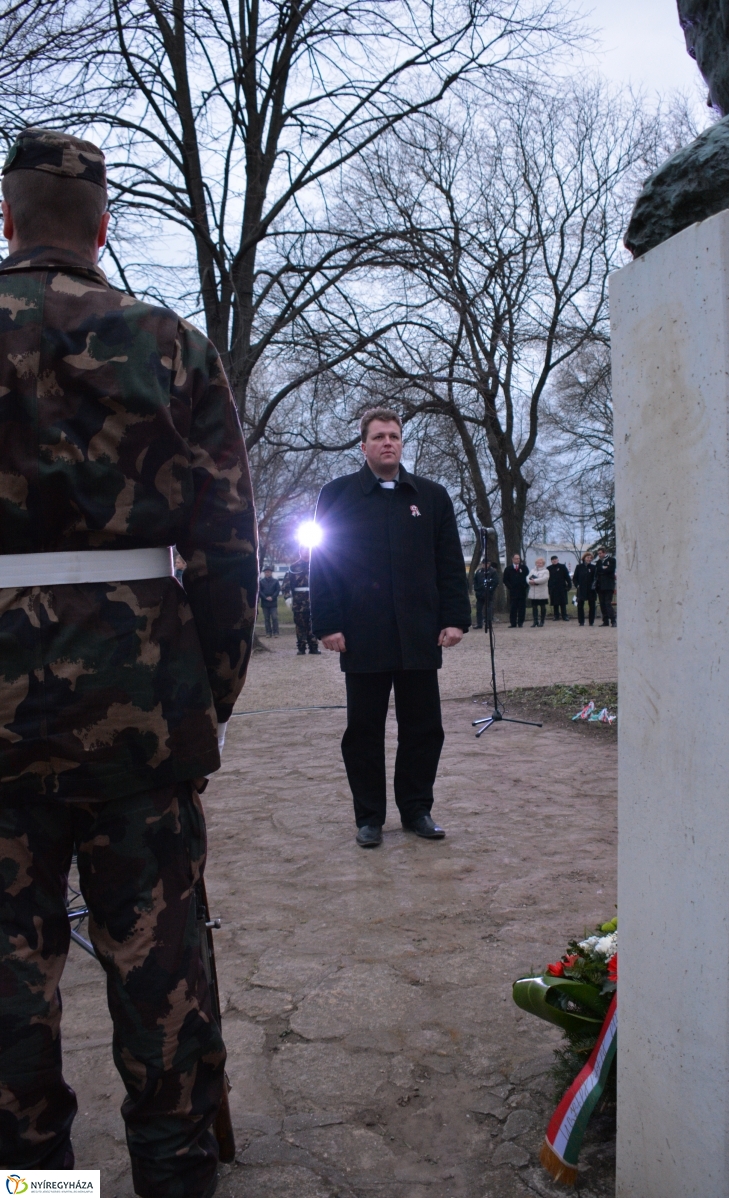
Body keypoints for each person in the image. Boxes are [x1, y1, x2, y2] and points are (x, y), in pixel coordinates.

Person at [0, 130, 258, 1196]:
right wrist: (210, 690)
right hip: (145, 702)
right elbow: (226, 540)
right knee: (157, 962)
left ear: (8, 222)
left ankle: (35, 1182)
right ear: (102, 229)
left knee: (10, 981)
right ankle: (172, 1170)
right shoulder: (170, 342)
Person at [310, 407, 470, 848]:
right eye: (379, 436)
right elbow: (322, 563)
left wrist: (455, 618)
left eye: (394, 436)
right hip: (362, 634)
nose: (388, 442)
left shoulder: (432, 497)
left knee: (424, 728)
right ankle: (369, 818)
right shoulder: (338, 495)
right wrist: (326, 623)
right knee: (363, 731)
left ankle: (417, 809)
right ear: (362, 446)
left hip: (419, 633)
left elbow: (450, 564)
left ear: (402, 443)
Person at [283, 547, 319, 654]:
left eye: (308, 550)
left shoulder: (315, 565)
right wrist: (288, 597)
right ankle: (301, 648)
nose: (306, 552)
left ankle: (314, 647)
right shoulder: (294, 567)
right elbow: (286, 584)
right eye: (304, 549)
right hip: (299, 602)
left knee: (312, 624)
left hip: (313, 600)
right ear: (300, 552)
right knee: (300, 625)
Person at [503, 553, 529, 627]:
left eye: (519, 558)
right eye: (516, 558)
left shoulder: (524, 568)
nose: (518, 560)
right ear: (513, 559)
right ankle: (513, 623)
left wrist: (525, 586)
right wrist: (510, 587)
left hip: (522, 591)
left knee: (522, 608)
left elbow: (528, 578)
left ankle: (520, 622)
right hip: (513, 592)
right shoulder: (508, 569)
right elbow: (505, 580)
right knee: (513, 608)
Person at [473, 559, 499, 630]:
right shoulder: (478, 572)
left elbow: (495, 582)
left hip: (488, 593)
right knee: (479, 609)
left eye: (486, 563)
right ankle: (479, 623)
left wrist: (490, 589)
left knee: (488, 609)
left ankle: (488, 623)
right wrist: (477, 589)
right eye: (483, 563)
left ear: (489, 564)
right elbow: (475, 581)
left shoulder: (492, 572)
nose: (485, 565)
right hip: (480, 593)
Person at [572, 552, 597, 627]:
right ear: (584, 558)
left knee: (592, 605)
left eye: (590, 558)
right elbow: (575, 578)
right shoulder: (579, 567)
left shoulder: (593, 567)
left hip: (591, 589)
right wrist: (577, 585)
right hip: (581, 589)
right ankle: (581, 621)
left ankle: (591, 622)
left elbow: (595, 578)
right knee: (580, 605)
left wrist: (594, 585)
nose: (589, 559)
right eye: (587, 557)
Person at [595, 546, 617, 626]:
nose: (599, 555)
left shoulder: (611, 560)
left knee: (608, 603)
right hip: (600, 586)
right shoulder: (598, 562)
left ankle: (613, 620)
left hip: (608, 586)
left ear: (604, 553)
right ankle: (605, 620)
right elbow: (598, 571)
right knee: (602, 603)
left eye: (600, 553)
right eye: (598, 554)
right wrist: (603, 570)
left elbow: (611, 570)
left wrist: (603, 570)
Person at [547, 555, 572, 621]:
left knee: (563, 602)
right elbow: (547, 579)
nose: (554, 560)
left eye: (555, 559)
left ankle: (564, 615)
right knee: (555, 603)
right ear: (551, 561)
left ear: (558, 560)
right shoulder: (549, 568)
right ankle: (556, 615)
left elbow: (567, 577)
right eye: (553, 560)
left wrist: (569, 585)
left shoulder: (562, 567)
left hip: (562, 587)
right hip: (553, 588)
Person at [259, 565, 281, 637]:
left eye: (268, 572)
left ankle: (276, 632)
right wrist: (265, 597)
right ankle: (268, 632)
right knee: (266, 618)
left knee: (274, 618)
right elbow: (260, 591)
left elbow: (277, 590)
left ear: (271, 573)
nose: (267, 573)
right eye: (265, 572)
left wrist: (273, 597)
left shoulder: (275, 581)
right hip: (265, 603)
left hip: (273, 602)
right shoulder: (261, 582)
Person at [527, 558, 550, 627]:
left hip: (542, 592)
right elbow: (528, 577)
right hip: (533, 591)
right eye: (537, 563)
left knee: (542, 607)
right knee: (534, 607)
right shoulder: (532, 570)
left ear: (543, 564)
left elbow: (545, 579)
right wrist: (529, 581)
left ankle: (542, 621)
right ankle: (535, 621)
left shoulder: (546, 571)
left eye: (540, 563)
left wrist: (535, 581)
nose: (538, 564)